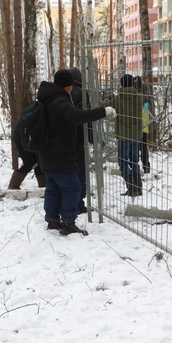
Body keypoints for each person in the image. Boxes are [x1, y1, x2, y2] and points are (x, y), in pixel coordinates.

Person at [38, 69, 115, 235]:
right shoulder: (59, 101)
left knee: (52, 187)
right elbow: (78, 116)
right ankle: (68, 222)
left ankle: (52, 218)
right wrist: (104, 111)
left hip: (48, 153)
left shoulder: (46, 98)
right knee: (72, 187)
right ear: (69, 86)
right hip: (61, 154)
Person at [108, 74, 145, 197]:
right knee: (134, 161)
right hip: (136, 135)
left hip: (123, 136)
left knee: (123, 162)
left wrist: (108, 98)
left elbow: (104, 105)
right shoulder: (139, 97)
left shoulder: (117, 99)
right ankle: (138, 187)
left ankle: (131, 186)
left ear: (122, 84)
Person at [8, 102, 47, 189]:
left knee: (38, 162)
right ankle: (13, 186)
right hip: (24, 137)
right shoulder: (40, 108)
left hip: (25, 136)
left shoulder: (37, 106)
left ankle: (43, 187)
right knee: (29, 162)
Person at [70, 67, 88, 213]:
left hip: (65, 139)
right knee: (80, 169)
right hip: (80, 137)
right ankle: (79, 202)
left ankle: (71, 200)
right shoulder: (82, 93)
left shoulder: (62, 92)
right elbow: (86, 115)